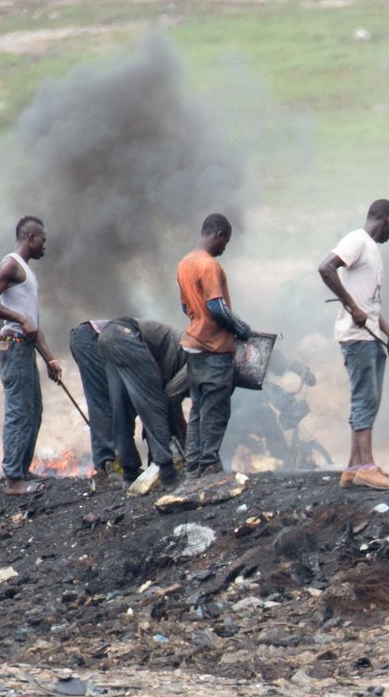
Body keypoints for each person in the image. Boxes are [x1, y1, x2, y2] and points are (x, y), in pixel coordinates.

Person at [316, 199, 389, 490]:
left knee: (370, 399)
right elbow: (326, 268)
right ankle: (367, 467)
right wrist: (351, 307)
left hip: (371, 336)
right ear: (388, 220)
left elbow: (369, 304)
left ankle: (353, 467)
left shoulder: (371, 249)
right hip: (358, 338)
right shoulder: (356, 240)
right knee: (365, 398)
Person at [0, 215, 64, 486]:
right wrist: (19, 318)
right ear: (30, 238)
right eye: (42, 240)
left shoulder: (28, 274)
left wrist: (50, 358)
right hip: (13, 345)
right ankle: (14, 478)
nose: (44, 246)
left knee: (33, 409)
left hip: (23, 345)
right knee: (19, 408)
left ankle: (22, 470)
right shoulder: (10, 265)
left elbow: (33, 324)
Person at [177, 211, 259, 479]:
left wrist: (200, 321)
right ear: (218, 235)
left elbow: (185, 306)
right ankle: (210, 463)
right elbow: (216, 306)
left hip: (193, 345)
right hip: (214, 348)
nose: (225, 247)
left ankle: (192, 466)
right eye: (226, 241)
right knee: (216, 408)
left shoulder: (185, 263)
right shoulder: (209, 265)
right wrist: (241, 328)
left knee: (198, 408)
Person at [68, 315, 188, 493]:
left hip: (104, 338)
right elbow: (160, 404)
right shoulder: (189, 356)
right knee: (105, 404)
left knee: (120, 404)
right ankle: (107, 470)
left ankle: (129, 471)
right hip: (92, 338)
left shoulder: (173, 351)